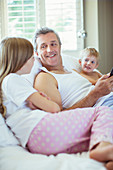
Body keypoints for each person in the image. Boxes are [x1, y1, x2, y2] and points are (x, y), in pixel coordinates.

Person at [1, 37, 113, 170]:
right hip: (39, 130)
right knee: (103, 112)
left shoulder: (10, 86)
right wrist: (42, 101)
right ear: (21, 60)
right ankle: (103, 148)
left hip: (40, 141)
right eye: (31, 58)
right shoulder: (12, 79)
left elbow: (34, 105)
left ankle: (107, 159)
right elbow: (54, 108)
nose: (34, 61)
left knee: (93, 136)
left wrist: (36, 101)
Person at [33, 27, 113, 111]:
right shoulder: (44, 77)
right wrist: (96, 93)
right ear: (37, 53)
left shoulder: (71, 70)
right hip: (104, 107)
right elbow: (58, 115)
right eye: (43, 46)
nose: (49, 50)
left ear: (60, 47)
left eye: (53, 44)